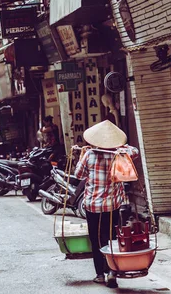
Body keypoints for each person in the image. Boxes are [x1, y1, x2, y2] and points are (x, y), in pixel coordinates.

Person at [74, 120, 140, 289]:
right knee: (111, 238)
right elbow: (135, 151)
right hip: (112, 205)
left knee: (96, 240)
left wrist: (83, 154)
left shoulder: (89, 155)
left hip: (92, 205)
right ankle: (112, 271)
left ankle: (99, 274)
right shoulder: (119, 154)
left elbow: (78, 174)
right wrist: (120, 149)